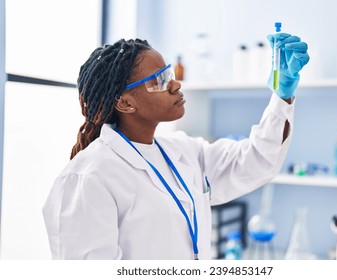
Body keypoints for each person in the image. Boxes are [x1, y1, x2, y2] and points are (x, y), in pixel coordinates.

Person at [43, 33, 309, 260]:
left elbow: (256, 161)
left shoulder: (183, 150)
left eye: (168, 73)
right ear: (125, 103)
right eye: (159, 80)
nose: (175, 84)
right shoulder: (88, 177)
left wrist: (282, 96)